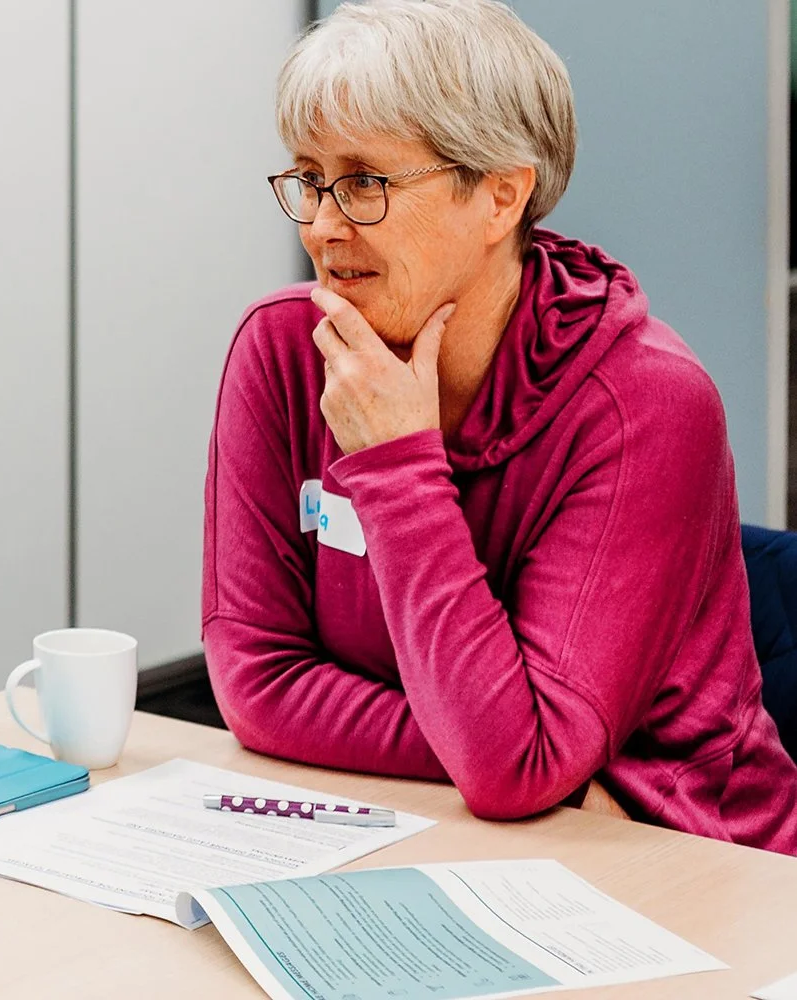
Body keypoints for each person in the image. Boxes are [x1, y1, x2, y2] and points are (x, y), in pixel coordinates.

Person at [201, 0, 797, 853]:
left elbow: (519, 762)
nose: (322, 226)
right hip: (425, 828)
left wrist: (399, 466)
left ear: (501, 197)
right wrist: (505, 752)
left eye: (366, 182)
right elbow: (256, 683)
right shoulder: (282, 353)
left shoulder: (644, 403)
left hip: (681, 856)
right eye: (309, 177)